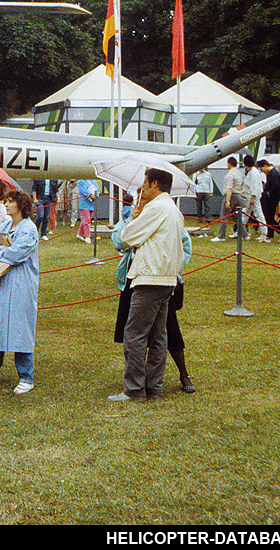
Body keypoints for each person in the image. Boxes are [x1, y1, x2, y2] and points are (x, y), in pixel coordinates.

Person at [108, 168, 184, 402]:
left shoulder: (156, 208)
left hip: (150, 278)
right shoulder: (174, 210)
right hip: (168, 279)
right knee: (158, 336)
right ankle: (154, 386)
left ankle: (134, 389)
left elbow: (127, 237)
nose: (143, 188)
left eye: (145, 183)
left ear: (154, 184)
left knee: (135, 334)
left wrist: (136, 217)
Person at [0, 190, 39, 395]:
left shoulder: (29, 230)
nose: (6, 204)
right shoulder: (5, 225)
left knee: (18, 326)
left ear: (21, 206)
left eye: (11, 202)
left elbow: (17, 253)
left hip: (19, 284)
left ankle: (26, 376)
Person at [211, 157, 243, 242]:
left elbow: (229, 188)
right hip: (238, 195)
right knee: (237, 216)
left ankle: (221, 236)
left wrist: (228, 201)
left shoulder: (230, 175)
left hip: (231, 196)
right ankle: (244, 234)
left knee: (224, 215)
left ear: (229, 163)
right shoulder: (239, 173)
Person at [241, 155, 267, 241]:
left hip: (253, 196)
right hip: (249, 195)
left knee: (258, 213)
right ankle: (241, 231)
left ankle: (264, 232)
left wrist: (252, 197)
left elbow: (254, 186)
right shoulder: (252, 171)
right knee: (245, 213)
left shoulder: (253, 173)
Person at [258, 160, 280, 242]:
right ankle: (270, 235)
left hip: (272, 198)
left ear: (265, 166)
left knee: (269, 216)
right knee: (269, 217)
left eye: (262, 169)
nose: (262, 171)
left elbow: (276, 186)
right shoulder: (273, 173)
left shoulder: (272, 174)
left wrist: (268, 193)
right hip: (272, 197)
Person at [76, 178, 98, 243]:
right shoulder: (80, 180)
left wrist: (96, 195)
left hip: (92, 203)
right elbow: (82, 190)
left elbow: (97, 189)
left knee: (86, 220)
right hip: (84, 203)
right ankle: (87, 236)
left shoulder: (93, 180)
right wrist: (90, 195)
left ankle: (79, 234)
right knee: (87, 219)